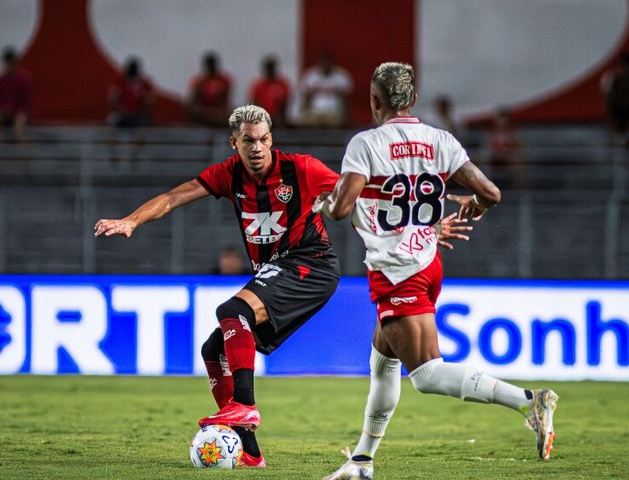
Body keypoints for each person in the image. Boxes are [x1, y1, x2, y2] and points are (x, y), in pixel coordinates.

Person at [93, 104, 469, 469]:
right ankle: (250, 450)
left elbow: (363, 196)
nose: (256, 148)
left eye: (261, 139)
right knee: (215, 348)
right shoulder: (229, 175)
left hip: (312, 264)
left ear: (271, 138)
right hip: (276, 270)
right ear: (234, 144)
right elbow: (176, 195)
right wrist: (132, 220)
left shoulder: (301, 168)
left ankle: (244, 409)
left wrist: (423, 225)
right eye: (247, 141)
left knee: (231, 311)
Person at [316, 62, 559, 480]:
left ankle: (529, 401)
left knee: (426, 375)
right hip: (427, 264)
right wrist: (474, 206)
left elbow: (339, 209)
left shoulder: (366, 144)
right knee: (382, 362)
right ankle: (361, 462)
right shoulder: (440, 140)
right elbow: (491, 193)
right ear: (412, 100)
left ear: (374, 101)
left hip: (397, 272)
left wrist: (323, 202)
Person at [299, 52, 353, 128]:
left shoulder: (341, 77)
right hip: (315, 111)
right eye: (323, 63)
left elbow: (346, 100)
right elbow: (305, 97)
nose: (326, 65)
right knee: (307, 120)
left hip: (334, 112)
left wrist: (347, 117)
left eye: (328, 63)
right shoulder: (311, 76)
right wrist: (302, 112)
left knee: (335, 121)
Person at [600, 51, 629, 135]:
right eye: (623, 66)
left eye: (628, 66)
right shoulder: (610, 77)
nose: (625, 69)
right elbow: (606, 97)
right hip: (615, 108)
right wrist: (610, 115)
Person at [0, 46, 32, 137]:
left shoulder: (24, 80)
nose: (9, 66)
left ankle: (22, 150)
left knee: (19, 123)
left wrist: (14, 111)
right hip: (1, 113)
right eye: (7, 63)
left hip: (18, 112)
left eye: (11, 63)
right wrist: (0, 110)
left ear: (15, 64)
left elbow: (26, 104)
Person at [186, 52, 233, 127]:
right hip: (203, 112)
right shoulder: (199, 81)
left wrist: (220, 112)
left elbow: (226, 101)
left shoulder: (224, 81)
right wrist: (206, 112)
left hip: (219, 113)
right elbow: (193, 102)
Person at [107, 57, 154, 128]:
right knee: (112, 120)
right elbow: (112, 101)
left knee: (147, 123)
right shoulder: (120, 82)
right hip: (121, 114)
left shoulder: (144, 84)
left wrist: (137, 113)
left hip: (138, 115)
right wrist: (123, 112)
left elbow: (149, 103)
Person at [248, 56, 290, 128]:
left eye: (272, 68)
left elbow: (284, 104)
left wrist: (278, 116)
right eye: (268, 68)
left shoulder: (282, 85)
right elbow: (255, 104)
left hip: (278, 118)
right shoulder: (258, 86)